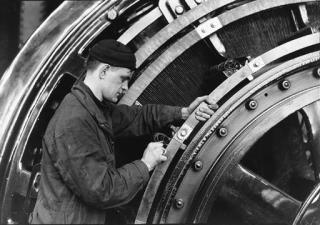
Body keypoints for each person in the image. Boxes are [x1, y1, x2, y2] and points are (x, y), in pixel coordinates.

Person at [29, 39, 216, 224]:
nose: (125, 88)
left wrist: (183, 112)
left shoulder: (92, 107)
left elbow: (137, 117)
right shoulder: (74, 121)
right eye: (123, 79)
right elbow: (102, 191)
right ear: (103, 71)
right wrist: (146, 164)